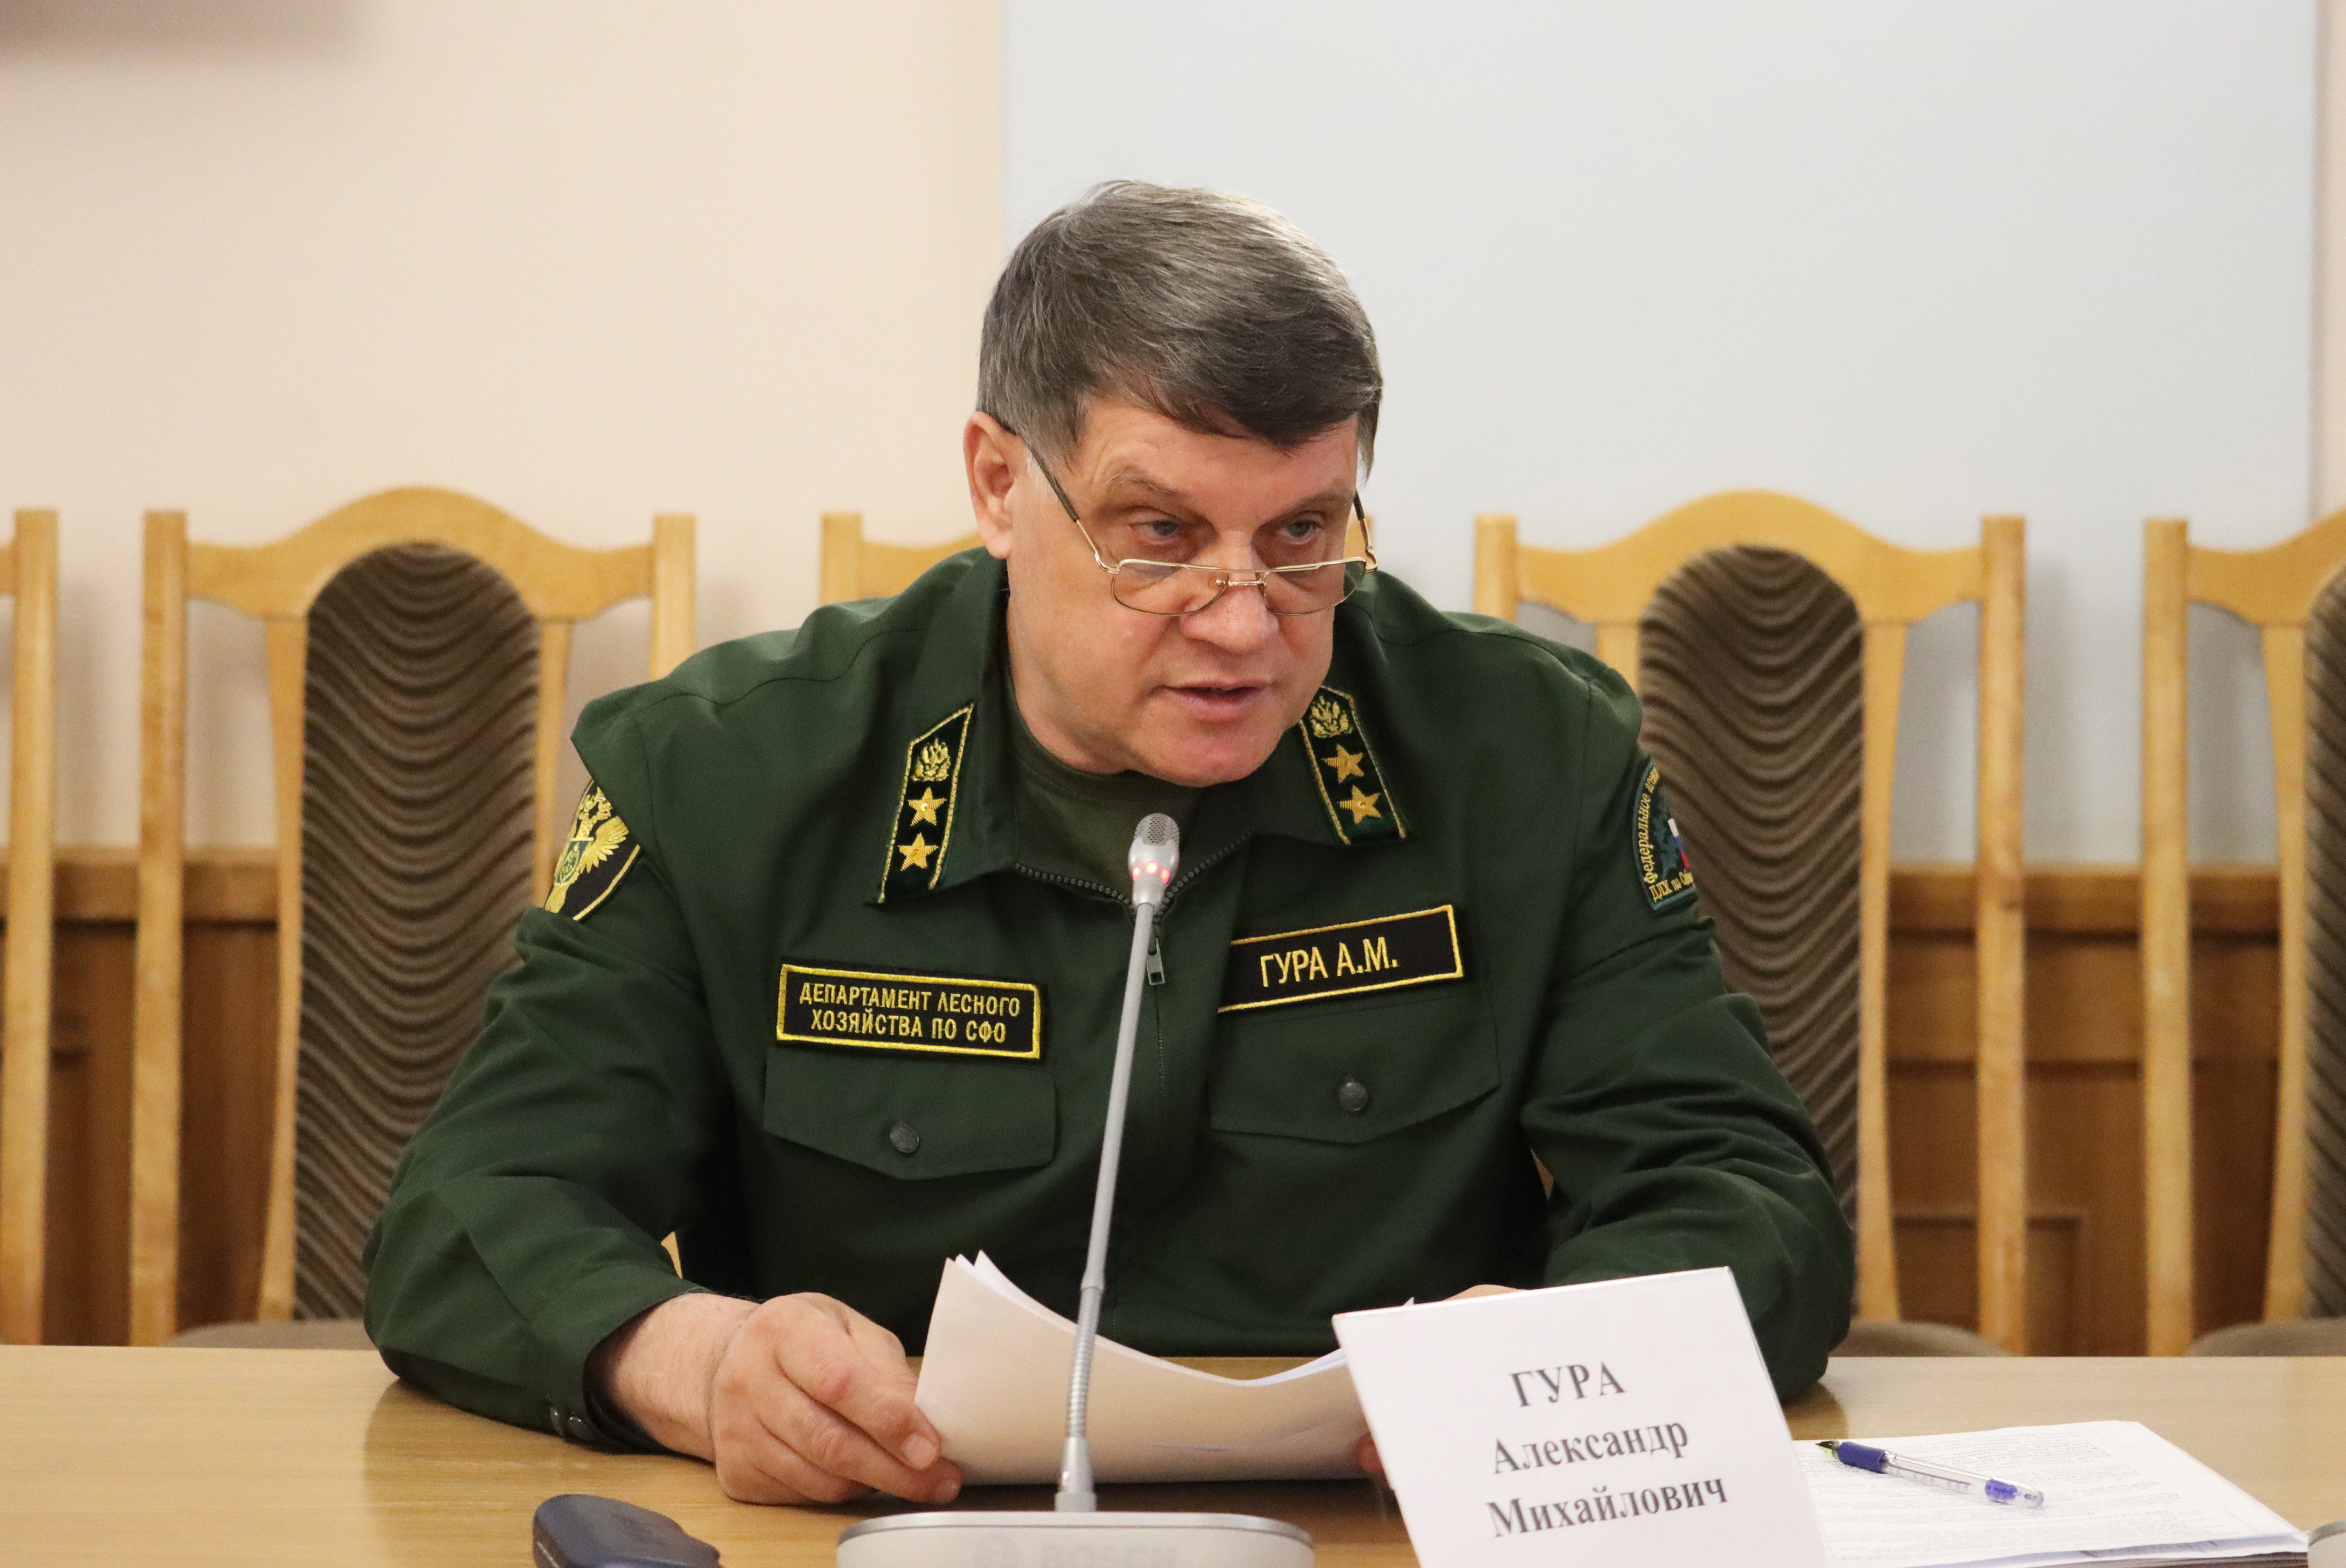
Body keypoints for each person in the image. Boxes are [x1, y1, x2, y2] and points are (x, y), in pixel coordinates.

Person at [364, 180, 1853, 1508]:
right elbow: (472, 1208)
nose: (1244, 624)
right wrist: (699, 1365)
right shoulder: (730, 777)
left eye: (1302, 536)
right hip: (898, 1531)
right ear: (998, 484)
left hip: (1379, 1529)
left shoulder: (1528, 758)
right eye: (1160, 537)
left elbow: (1743, 1193)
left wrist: (1555, 1359)